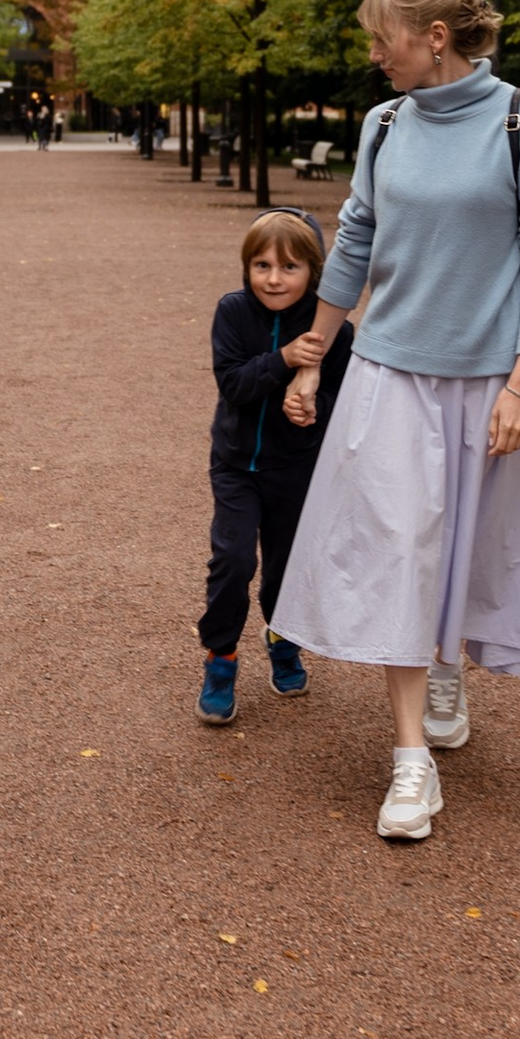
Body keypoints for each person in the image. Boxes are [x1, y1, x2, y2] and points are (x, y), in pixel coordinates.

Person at [270, 0, 520, 842]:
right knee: (397, 545)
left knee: (469, 541)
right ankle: (412, 764)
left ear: (433, 37)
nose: (376, 53)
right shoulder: (383, 123)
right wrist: (314, 354)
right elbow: (358, 237)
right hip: (391, 370)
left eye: (384, 36)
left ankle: (449, 662)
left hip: (490, 376)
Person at [197, 208, 354, 725]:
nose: (273, 278)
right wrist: (283, 359)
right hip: (237, 465)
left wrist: (312, 408)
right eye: (261, 265)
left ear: (314, 270)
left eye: (289, 267)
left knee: (287, 569)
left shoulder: (335, 330)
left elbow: (340, 402)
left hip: (297, 470)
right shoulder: (233, 311)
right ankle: (221, 658)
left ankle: (283, 639)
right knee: (233, 561)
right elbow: (234, 384)